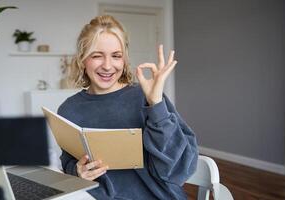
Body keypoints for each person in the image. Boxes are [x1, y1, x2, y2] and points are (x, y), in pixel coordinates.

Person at [57, 15, 198, 200]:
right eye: (97, 56)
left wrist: (156, 105)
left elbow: (179, 169)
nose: (107, 66)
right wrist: (78, 171)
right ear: (83, 60)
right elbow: (69, 162)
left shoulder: (145, 98)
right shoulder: (69, 110)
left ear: (124, 60)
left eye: (116, 56)